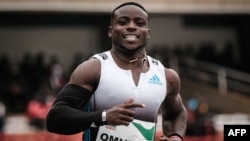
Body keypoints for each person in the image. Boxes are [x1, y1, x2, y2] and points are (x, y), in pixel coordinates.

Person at [46, 2, 187, 141]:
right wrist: (104, 117)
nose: (131, 26)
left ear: (148, 33)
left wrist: (175, 138)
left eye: (139, 23)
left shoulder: (166, 76)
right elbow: (55, 119)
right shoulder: (94, 68)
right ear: (110, 31)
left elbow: (177, 113)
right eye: (123, 22)